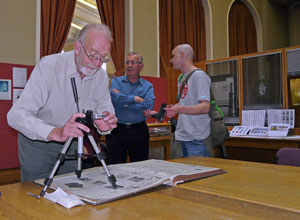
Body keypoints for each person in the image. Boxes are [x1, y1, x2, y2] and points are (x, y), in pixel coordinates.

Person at [7, 24, 117, 182]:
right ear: (78, 47)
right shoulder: (49, 66)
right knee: (36, 197)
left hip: (72, 141)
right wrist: (56, 132)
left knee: (72, 191)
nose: (97, 63)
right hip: (38, 143)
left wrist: (105, 123)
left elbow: (106, 110)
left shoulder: (100, 76)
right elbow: (16, 116)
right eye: (93, 55)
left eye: (103, 57)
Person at [106, 52, 155, 164]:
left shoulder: (148, 86)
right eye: (127, 62)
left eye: (133, 62)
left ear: (141, 66)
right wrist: (135, 99)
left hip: (139, 131)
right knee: (115, 166)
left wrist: (124, 102)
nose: (129, 65)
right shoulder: (116, 81)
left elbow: (148, 105)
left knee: (140, 166)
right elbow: (114, 99)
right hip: (117, 130)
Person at [164, 44, 211, 157]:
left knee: (198, 173)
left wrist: (179, 108)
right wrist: (174, 108)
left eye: (173, 56)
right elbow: (186, 102)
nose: (171, 60)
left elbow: (205, 107)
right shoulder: (181, 78)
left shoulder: (199, 76)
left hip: (197, 139)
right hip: (182, 136)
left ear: (182, 55)